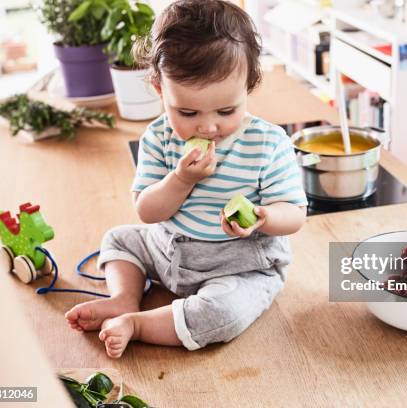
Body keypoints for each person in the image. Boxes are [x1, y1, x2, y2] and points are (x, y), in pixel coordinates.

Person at [65, 0, 307, 358]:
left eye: (226, 111)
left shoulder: (268, 143)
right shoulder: (159, 136)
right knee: (118, 239)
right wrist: (181, 179)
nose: (208, 127)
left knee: (222, 313)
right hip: (168, 249)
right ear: (160, 89)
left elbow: (295, 213)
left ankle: (139, 323)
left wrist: (263, 217)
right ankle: (123, 298)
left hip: (241, 267)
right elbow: (146, 212)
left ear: (249, 86)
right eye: (188, 112)